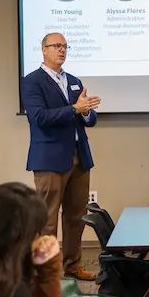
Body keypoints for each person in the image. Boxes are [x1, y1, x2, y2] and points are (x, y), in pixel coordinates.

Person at [21, 32, 100, 281]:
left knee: (76, 216)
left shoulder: (74, 81)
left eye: (65, 46)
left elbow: (89, 118)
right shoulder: (32, 82)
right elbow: (40, 118)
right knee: (47, 218)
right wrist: (74, 109)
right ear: (43, 50)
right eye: (56, 46)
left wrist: (86, 112)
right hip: (49, 159)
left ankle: (73, 265)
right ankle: (46, 269)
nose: (62, 50)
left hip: (79, 157)